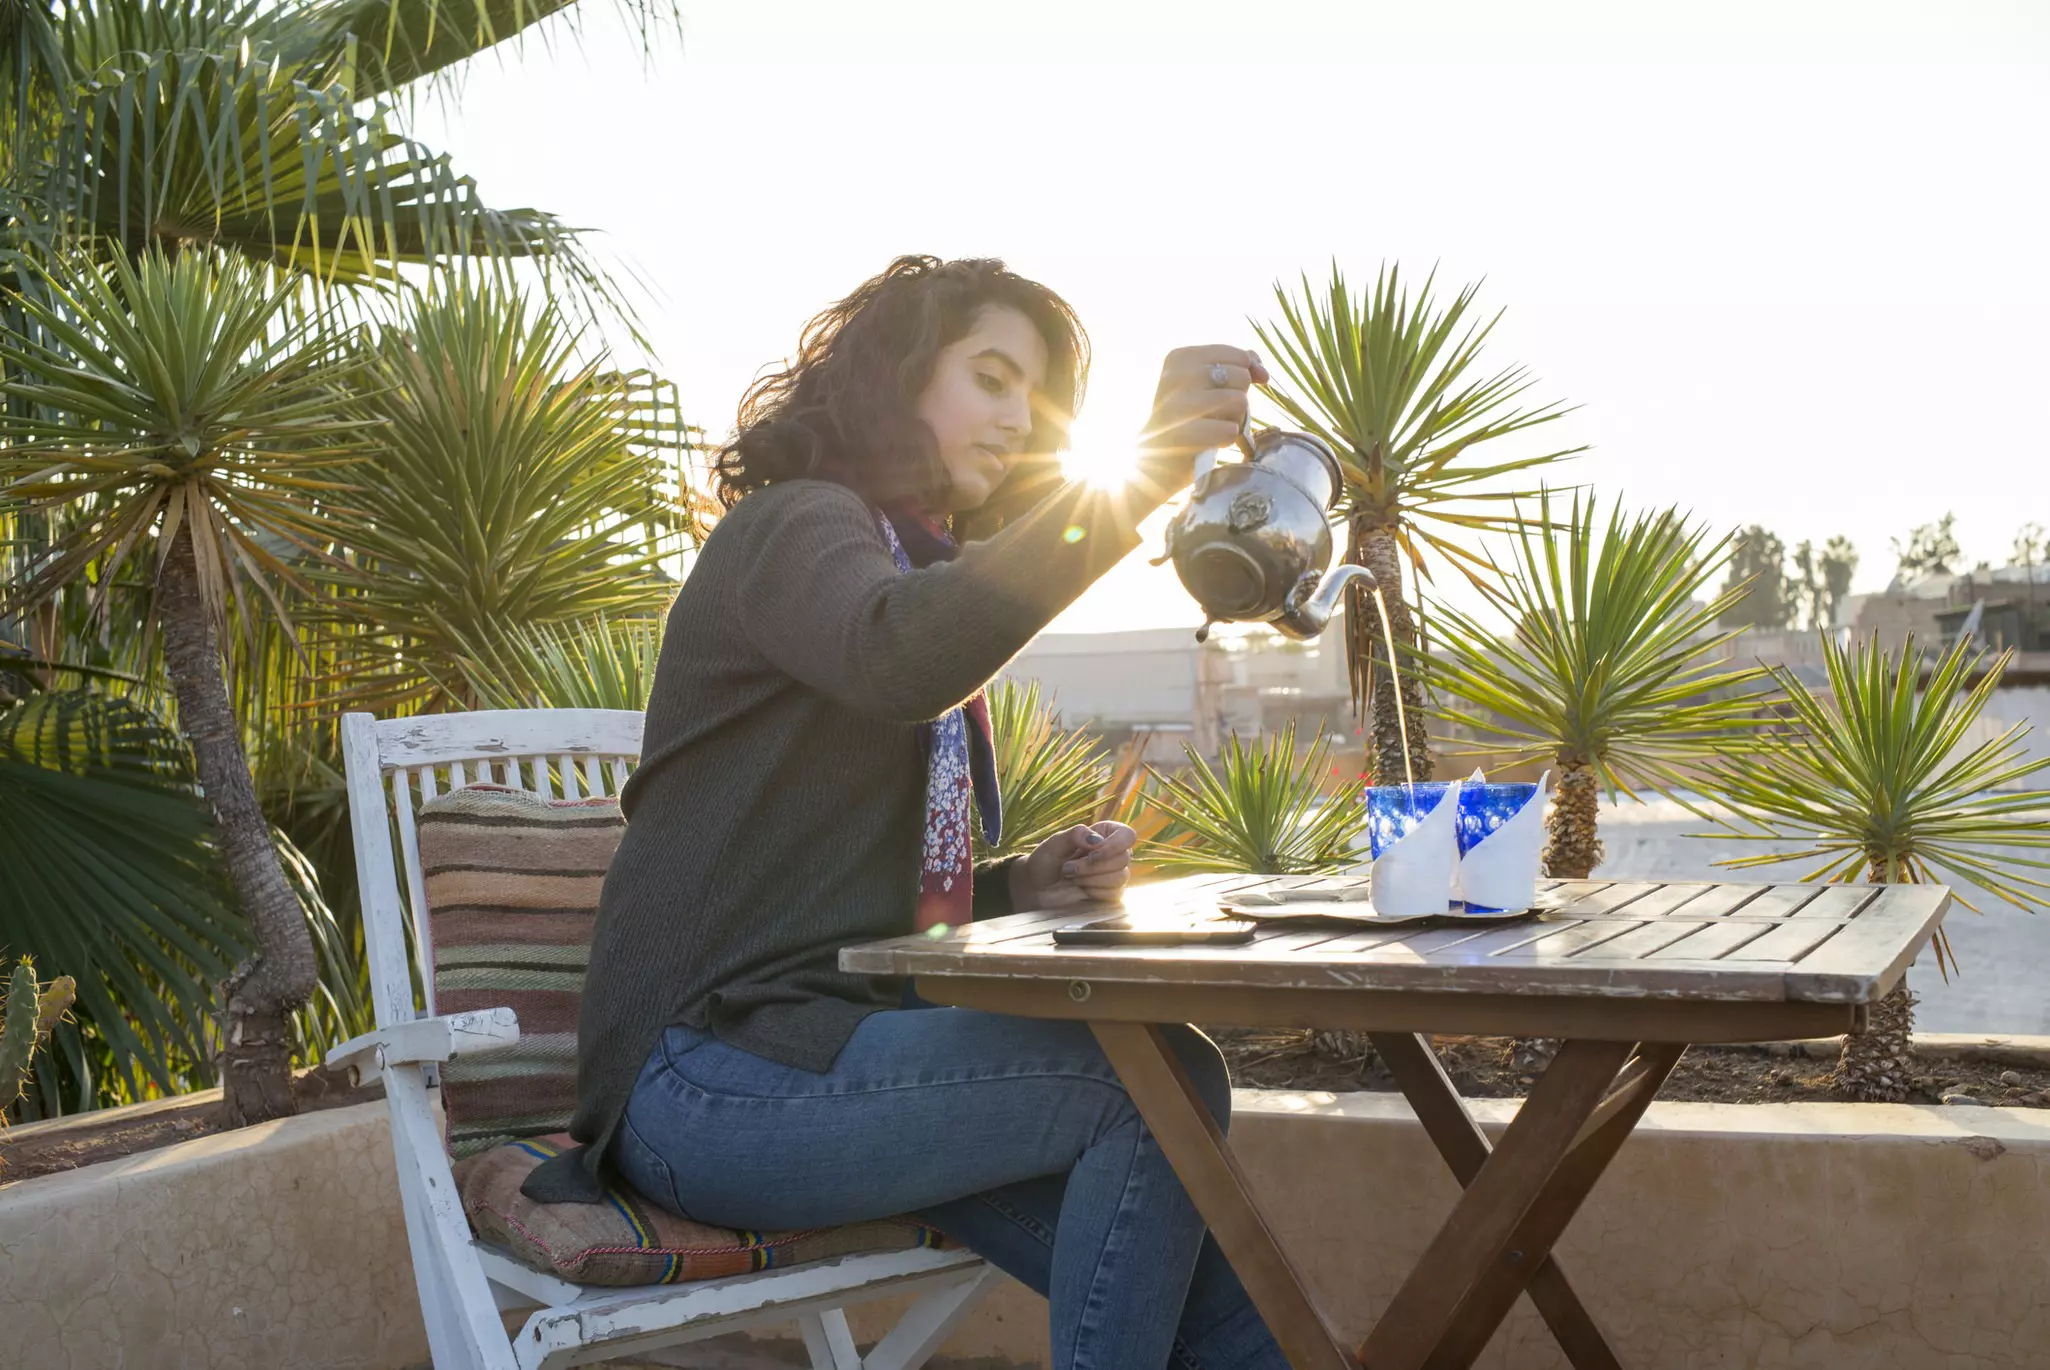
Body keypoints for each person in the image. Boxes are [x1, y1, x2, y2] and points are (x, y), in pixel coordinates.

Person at [566, 255, 1286, 1369]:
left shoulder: (912, 563)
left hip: (824, 1059)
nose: (1019, 416)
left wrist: (1015, 885)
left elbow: (865, 894)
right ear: (897, 378)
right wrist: (1138, 476)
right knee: (1153, 1085)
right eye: (991, 376)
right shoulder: (791, 529)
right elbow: (897, 653)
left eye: (1036, 397)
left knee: (1219, 1313)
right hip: (700, 1077)